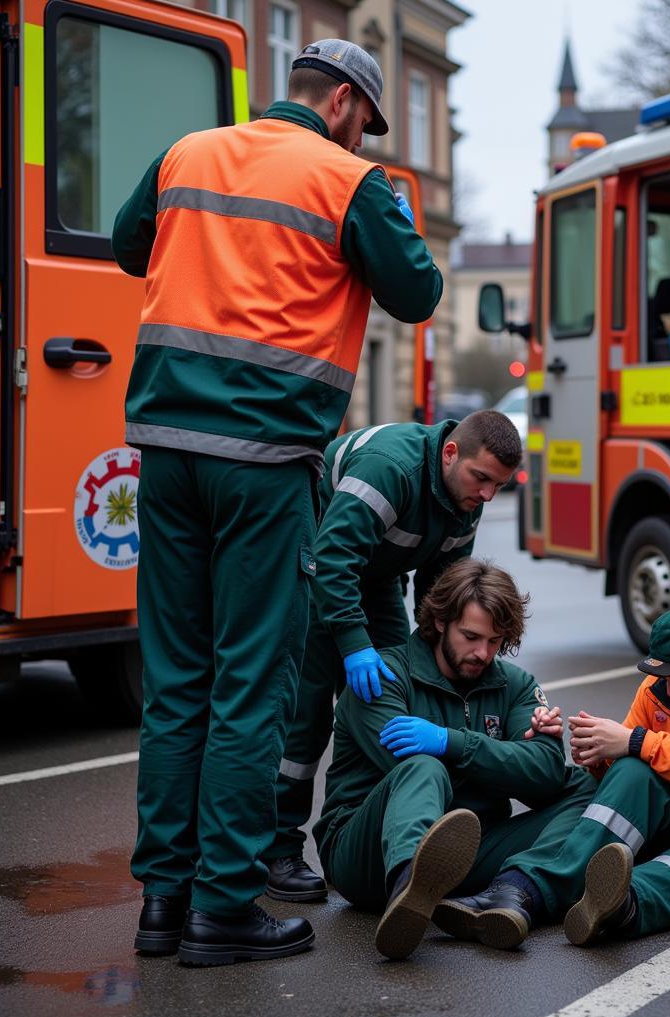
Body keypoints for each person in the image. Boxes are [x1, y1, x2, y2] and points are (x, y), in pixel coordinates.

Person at [113, 39, 442, 966]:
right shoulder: (350, 181)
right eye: (365, 120)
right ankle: (224, 908)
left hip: (167, 454)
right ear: (342, 102)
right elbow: (418, 293)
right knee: (251, 688)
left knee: (177, 686)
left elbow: (133, 243)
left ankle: (162, 906)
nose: (363, 135)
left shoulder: (189, 152)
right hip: (265, 462)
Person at [434, 580, 670, 950]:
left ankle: (619, 903)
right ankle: (518, 892)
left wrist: (634, 742)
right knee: (630, 771)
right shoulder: (659, 688)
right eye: (663, 678)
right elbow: (627, 775)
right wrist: (599, 757)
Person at [265, 411, 522, 902]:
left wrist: (438, 655)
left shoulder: (466, 492)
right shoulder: (390, 467)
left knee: (396, 687)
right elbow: (333, 560)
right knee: (307, 714)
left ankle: (394, 819)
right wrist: (354, 645)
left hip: (375, 573)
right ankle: (276, 849)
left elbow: (443, 590)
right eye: (482, 479)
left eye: (499, 485)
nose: (488, 495)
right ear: (451, 453)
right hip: (313, 567)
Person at [313, 559, 596, 959]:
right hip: (366, 853)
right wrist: (506, 759)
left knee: (584, 785)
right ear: (441, 620)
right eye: (471, 636)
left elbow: (546, 776)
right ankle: (410, 884)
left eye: (495, 641)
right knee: (423, 767)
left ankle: (513, 889)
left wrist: (454, 743)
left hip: (467, 849)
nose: (483, 653)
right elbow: (408, 766)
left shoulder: (515, 685)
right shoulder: (382, 676)